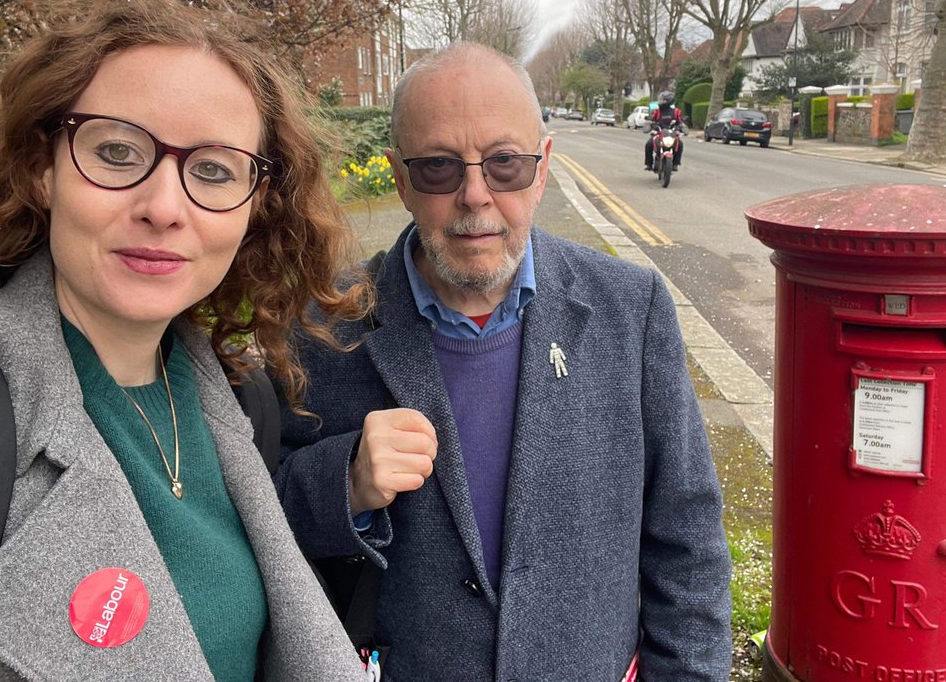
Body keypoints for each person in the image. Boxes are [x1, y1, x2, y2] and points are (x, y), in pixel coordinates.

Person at [0, 0, 368, 680]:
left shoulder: (239, 404)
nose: (165, 207)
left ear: (254, 206)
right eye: (116, 153)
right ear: (40, 170)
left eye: (213, 169)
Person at [277, 41, 732, 680]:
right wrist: (345, 482)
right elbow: (267, 523)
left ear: (542, 169)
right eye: (438, 167)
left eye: (504, 164)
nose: (475, 195)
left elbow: (687, 539)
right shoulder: (321, 330)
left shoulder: (632, 309)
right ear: (401, 179)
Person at [645, 90, 685, 171]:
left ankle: (676, 163)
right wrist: (651, 124)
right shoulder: (656, 111)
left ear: (668, 101)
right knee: (649, 144)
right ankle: (649, 164)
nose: (660, 102)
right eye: (660, 100)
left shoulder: (676, 111)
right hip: (659, 133)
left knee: (680, 144)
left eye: (663, 100)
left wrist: (681, 127)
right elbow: (651, 119)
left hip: (671, 134)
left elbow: (680, 121)